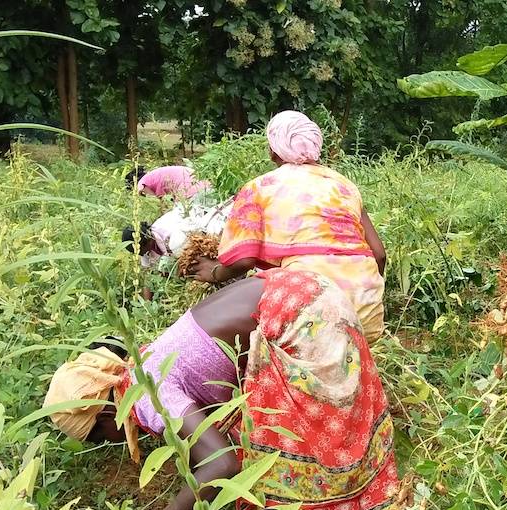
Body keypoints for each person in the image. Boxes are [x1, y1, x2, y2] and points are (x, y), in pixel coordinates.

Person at [43, 269, 401, 510]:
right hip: (307, 288)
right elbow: (210, 442)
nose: (112, 444)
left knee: (297, 457)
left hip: (299, 318)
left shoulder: (143, 394)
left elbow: (222, 463)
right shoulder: (145, 364)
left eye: (101, 438)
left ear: (106, 414)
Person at [188, 110, 387, 341]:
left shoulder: (259, 187)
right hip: (366, 315)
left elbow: (244, 261)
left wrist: (214, 273)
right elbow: (379, 255)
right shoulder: (345, 186)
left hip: (312, 310)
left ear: (272, 151)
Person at [121, 199, 232, 271]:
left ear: (148, 240)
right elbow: (147, 273)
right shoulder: (145, 250)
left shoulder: (170, 231)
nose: (144, 254)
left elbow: (198, 243)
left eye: (142, 250)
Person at [127, 165, 212, 199]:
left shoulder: (141, 184)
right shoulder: (152, 175)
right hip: (201, 180)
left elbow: (154, 201)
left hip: (189, 188)